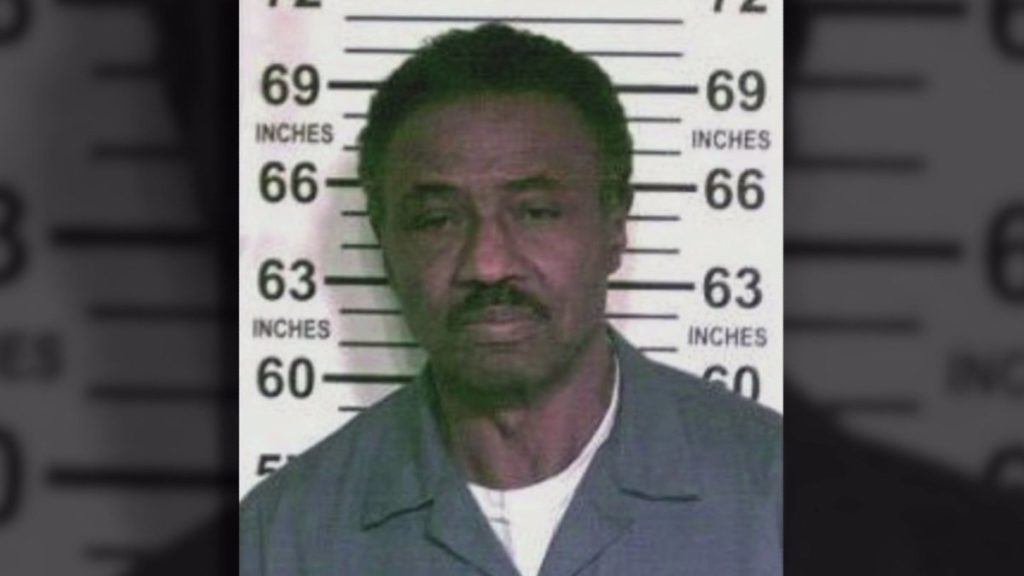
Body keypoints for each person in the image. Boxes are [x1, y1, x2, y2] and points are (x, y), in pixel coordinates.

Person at [240, 23, 781, 576]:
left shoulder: (780, 499)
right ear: (385, 243)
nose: (487, 264)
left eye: (536, 212)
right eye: (437, 220)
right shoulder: (279, 539)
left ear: (615, 227)